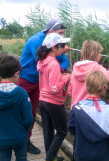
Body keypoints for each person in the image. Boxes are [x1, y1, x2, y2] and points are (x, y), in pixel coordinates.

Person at [17, 19, 72, 154]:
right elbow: (43, 62)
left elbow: (65, 62)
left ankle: (26, 141)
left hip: (40, 84)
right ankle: (17, 142)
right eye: (60, 34)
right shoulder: (37, 40)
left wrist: (57, 69)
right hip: (26, 79)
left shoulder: (53, 48)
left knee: (32, 113)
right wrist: (61, 75)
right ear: (51, 32)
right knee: (18, 111)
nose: (62, 37)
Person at [0, 55, 33, 161]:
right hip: (20, 137)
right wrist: (24, 130)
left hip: (0, 139)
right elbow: (28, 119)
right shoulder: (22, 94)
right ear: (16, 73)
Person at [68, 70, 109, 161]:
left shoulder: (77, 109)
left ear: (87, 87)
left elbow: (72, 130)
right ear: (104, 87)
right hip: (103, 156)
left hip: (81, 155)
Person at [36, 33, 71, 161]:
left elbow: (49, 82)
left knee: (48, 130)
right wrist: (66, 78)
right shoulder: (54, 64)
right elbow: (54, 88)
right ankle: (50, 158)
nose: (64, 48)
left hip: (43, 101)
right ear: (54, 48)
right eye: (62, 46)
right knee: (62, 131)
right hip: (53, 102)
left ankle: (52, 156)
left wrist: (60, 78)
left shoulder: (42, 61)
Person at [68, 40, 109, 108]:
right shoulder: (96, 68)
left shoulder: (75, 68)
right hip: (90, 110)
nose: (101, 55)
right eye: (99, 53)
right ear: (94, 53)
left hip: (75, 109)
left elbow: (70, 91)